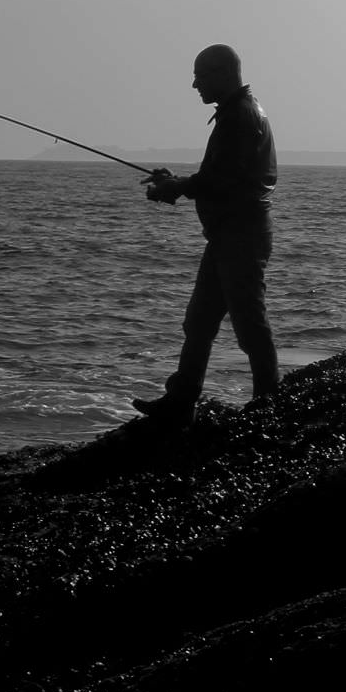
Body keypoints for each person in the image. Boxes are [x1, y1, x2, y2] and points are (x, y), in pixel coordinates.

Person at [133, 44, 279, 425]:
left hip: (241, 237)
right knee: (199, 321)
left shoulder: (241, 117)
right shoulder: (238, 113)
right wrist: (176, 183)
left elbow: (220, 180)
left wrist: (176, 187)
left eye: (200, 75)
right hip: (227, 237)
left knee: (249, 323)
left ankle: (270, 402)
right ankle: (181, 400)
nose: (194, 83)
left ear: (222, 74)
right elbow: (219, 177)